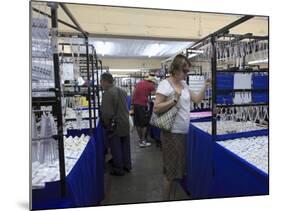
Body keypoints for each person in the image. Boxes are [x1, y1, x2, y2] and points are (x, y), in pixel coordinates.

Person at [153, 54, 210, 200]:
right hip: (171, 133)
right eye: (185, 71)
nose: (187, 74)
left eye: (187, 71)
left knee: (177, 172)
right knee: (170, 172)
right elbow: (156, 108)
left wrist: (206, 85)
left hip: (183, 133)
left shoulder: (184, 84)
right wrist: (174, 99)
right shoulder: (165, 84)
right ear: (176, 69)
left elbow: (196, 100)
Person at [100, 72, 132, 176]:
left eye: (101, 82)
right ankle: (127, 165)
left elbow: (107, 113)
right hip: (125, 121)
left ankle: (118, 168)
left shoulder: (107, 93)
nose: (101, 84)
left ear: (104, 81)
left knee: (116, 147)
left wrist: (106, 125)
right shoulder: (122, 91)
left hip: (115, 124)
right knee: (125, 145)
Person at [131, 75, 157, 147]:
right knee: (144, 124)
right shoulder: (150, 85)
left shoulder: (139, 83)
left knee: (138, 123)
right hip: (142, 106)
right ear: (151, 82)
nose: (154, 85)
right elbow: (156, 93)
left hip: (136, 105)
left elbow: (133, 94)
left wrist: (132, 104)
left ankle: (140, 140)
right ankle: (143, 141)